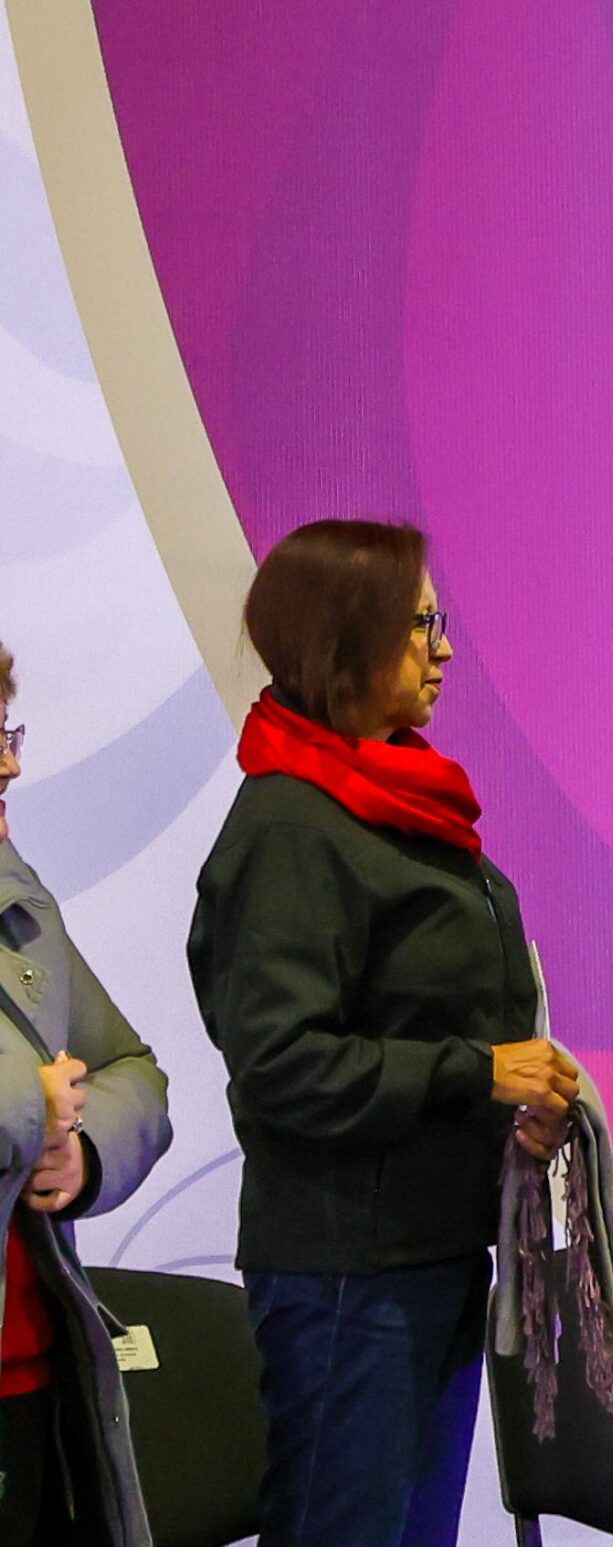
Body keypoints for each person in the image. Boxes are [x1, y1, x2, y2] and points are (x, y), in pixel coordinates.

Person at [187, 521, 580, 1547]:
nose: (443, 650)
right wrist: (477, 1073)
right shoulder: (291, 824)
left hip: (433, 1252)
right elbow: (281, 1064)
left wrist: (519, 1111)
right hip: (347, 1274)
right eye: (419, 626)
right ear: (344, 641)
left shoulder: (399, 801)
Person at [0, 641, 175, 1547]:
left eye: (7, 732)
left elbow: (134, 1069)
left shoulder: (15, 896)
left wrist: (80, 1149)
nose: (10, 766)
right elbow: (30, 1094)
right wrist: (34, 1106)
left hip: (41, 1372)